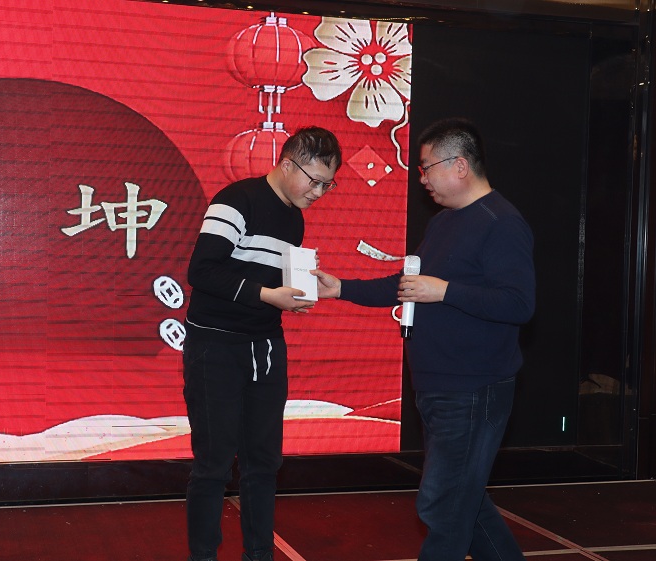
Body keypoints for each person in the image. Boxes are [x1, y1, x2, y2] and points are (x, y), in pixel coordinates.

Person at [314, 118, 534, 561]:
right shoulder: (443, 223)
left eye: (426, 167)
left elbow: (518, 304)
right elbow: (411, 285)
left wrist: (445, 290)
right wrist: (341, 288)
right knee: (464, 504)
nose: (422, 178)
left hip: (473, 389)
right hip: (437, 388)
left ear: (459, 166)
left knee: (443, 505)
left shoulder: (502, 223)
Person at [183, 126, 342, 561]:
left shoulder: (294, 218)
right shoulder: (237, 200)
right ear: (288, 164)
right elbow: (202, 271)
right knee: (213, 464)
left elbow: (269, 284)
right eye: (315, 181)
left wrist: (298, 292)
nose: (319, 193)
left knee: (264, 462)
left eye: (328, 185)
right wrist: (268, 295)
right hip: (215, 346)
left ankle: (259, 554)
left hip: (266, 345)